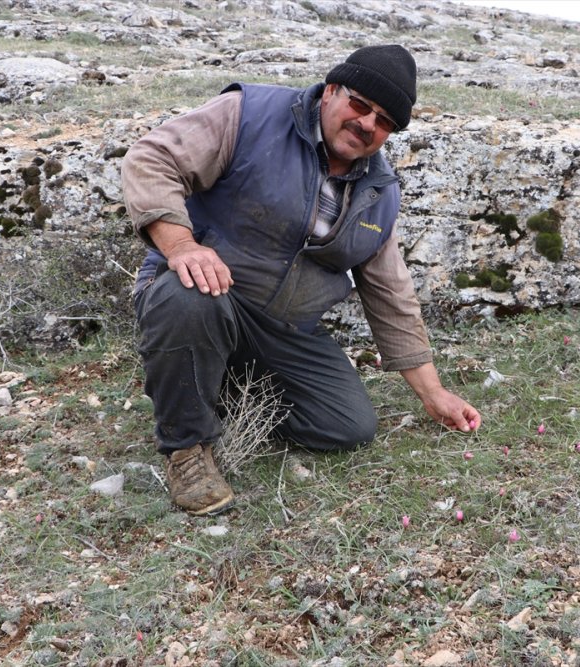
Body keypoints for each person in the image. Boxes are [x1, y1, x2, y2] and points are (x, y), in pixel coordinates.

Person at [122, 44, 481, 516]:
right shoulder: (248, 113)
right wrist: (182, 246)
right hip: (204, 292)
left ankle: (209, 385)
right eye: (359, 105)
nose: (368, 125)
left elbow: (391, 292)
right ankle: (186, 447)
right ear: (331, 90)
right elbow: (151, 159)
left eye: (386, 122)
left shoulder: (378, 192)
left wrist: (434, 394)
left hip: (280, 331)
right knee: (191, 293)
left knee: (347, 426)